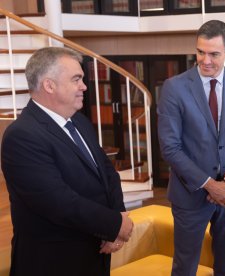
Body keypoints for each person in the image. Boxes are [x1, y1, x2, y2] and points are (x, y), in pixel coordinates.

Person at [1, 47, 134, 276]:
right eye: (76, 79)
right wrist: (114, 225)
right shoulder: (21, 136)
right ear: (49, 85)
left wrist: (118, 215)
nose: (84, 86)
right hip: (53, 261)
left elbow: (106, 173)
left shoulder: (79, 122)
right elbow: (59, 201)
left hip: (95, 252)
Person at [157, 20, 225, 276]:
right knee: (185, 266)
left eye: (214, 54)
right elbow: (170, 147)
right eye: (200, 52)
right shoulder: (174, 87)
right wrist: (209, 184)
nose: (206, 60)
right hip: (189, 193)